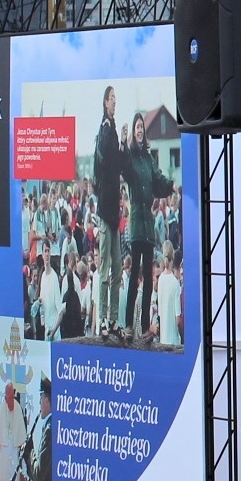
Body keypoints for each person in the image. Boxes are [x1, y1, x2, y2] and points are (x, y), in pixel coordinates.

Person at [123, 112, 164, 340]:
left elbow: (158, 178)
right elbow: (124, 167)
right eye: (137, 126)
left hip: (148, 225)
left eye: (141, 127)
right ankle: (129, 325)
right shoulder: (131, 156)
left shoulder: (148, 159)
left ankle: (145, 327)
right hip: (137, 222)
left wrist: (169, 186)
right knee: (134, 276)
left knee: (148, 277)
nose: (140, 130)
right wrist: (123, 143)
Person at [91, 87, 126, 334]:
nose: (115, 102)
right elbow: (105, 163)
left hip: (114, 211)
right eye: (112, 98)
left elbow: (118, 165)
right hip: (105, 211)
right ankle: (103, 318)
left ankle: (113, 318)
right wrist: (115, 141)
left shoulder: (112, 130)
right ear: (105, 102)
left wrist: (123, 142)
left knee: (116, 267)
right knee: (104, 270)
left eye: (116, 99)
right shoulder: (104, 129)